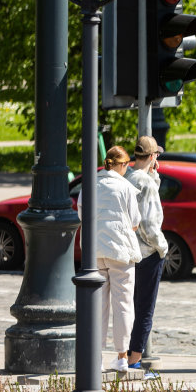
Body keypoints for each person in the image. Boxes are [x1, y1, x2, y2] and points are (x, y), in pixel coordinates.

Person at [77, 145, 142, 372]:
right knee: (123, 304)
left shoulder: (90, 184)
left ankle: (96, 359)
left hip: (94, 251)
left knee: (98, 306)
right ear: (122, 165)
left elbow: (81, 214)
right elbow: (135, 221)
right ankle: (122, 356)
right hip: (121, 253)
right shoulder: (126, 187)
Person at [125, 136, 169, 369]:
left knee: (130, 307)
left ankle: (125, 357)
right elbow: (150, 224)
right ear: (153, 157)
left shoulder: (129, 177)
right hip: (148, 253)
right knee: (145, 310)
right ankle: (135, 362)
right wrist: (163, 248)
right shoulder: (147, 184)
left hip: (130, 252)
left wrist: (153, 175)